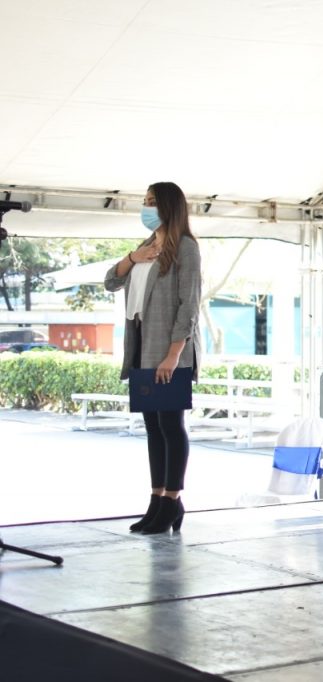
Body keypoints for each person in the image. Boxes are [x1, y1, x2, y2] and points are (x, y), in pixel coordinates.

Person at [105, 182, 202, 534]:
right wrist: (133, 258)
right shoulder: (146, 247)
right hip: (143, 347)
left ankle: (172, 501)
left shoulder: (185, 247)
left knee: (170, 426)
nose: (146, 208)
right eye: (144, 202)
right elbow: (110, 282)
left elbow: (189, 305)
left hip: (170, 351)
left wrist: (174, 354)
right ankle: (157, 499)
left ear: (168, 206)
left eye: (152, 202)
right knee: (153, 428)